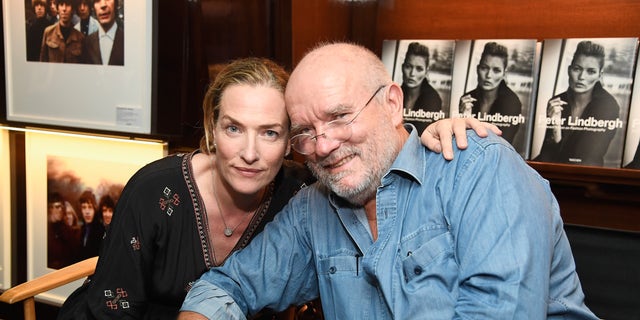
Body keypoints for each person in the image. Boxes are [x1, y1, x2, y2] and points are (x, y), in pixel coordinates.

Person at [178, 42, 597, 319]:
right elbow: (225, 286)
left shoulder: (480, 170)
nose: (323, 145)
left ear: (393, 104)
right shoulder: (313, 209)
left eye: (340, 116)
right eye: (305, 131)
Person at [57, 56, 495, 319]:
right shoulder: (155, 191)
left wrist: (430, 132)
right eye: (234, 128)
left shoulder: (304, 192)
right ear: (212, 127)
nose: (250, 152)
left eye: (269, 132)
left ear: (293, 140)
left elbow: (370, 153)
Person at [534, 40, 620, 166]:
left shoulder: (608, 105)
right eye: (577, 69)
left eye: (590, 71)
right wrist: (555, 128)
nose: (582, 77)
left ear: (599, 76)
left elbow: (583, 157)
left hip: (587, 176)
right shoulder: (557, 102)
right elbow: (546, 155)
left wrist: (557, 134)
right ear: (569, 70)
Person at [459, 41, 523, 142]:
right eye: (484, 68)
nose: (488, 75)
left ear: (504, 74)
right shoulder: (467, 99)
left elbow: (500, 144)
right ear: (477, 69)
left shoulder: (512, 102)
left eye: (496, 70)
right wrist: (465, 120)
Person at [401, 41, 444, 134]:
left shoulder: (434, 98)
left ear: (426, 72)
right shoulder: (394, 94)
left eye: (419, 69)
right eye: (408, 66)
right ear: (402, 67)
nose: (412, 74)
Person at [84, 0, 124, 65]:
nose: (103, 5)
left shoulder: (127, 41)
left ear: (116, 4)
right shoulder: (87, 43)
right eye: (97, 0)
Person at [47, 192, 78, 269]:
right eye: (56, 207)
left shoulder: (67, 231)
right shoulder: (45, 231)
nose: (60, 209)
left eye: (60, 207)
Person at [77, 190, 105, 260]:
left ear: (94, 209)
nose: (87, 212)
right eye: (84, 207)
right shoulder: (82, 229)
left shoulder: (101, 230)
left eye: (90, 207)